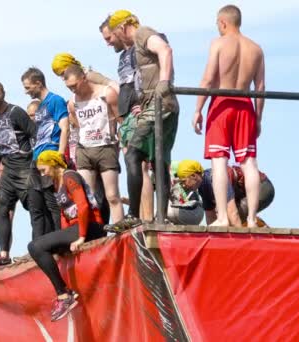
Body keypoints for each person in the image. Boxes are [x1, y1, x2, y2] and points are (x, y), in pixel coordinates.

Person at [192, 5, 265, 227]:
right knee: (249, 162)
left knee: (219, 162)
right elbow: (260, 88)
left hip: (221, 103)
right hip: (245, 105)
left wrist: (198, 109)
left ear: (223, 22)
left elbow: (207, 79)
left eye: (217, 23)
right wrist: (258, 118)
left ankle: (222, 217)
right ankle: (252, 218)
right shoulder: (256, 48)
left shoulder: (219, 43)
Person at [106, 10, 180, 231]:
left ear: (121, 27)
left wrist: (164, 83)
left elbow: (165, 50)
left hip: (160, 104)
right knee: (159, 160)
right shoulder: (137, 44)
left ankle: (133, 214)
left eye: (115, 35)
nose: (116, 41)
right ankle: (161, 216)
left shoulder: (142, 33)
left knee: (133, 154)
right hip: (156, 105)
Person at [27, 150, 105, 322]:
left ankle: (64, 295)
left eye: (44, 169)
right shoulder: (57, 184)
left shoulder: (70, 176)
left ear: (54, 165)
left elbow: (83, 207)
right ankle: (64, 293)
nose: (43, 174)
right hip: (76, 227)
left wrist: (81, 237)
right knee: (41, 247)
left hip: (92, 227)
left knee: (34, 246)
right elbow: (65, 215)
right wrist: (62, 239)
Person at [100, 16, 154, 222]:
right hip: (125, 115)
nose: (108, 42)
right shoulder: (123, 55)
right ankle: (138, 216)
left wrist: (146, 103)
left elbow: (148, 77)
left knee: (141, 166)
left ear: (119, 30)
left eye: (109, 37)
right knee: (133, 166)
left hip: (138, 112)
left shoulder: (139, 49)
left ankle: (146, 217)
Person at [50, 53, 112, 224]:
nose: (62, 78)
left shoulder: (89, 75)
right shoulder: (73, 88)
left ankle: (102, 225)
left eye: (62, 72)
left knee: (102, 189)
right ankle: (92, 224)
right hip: (84, 143)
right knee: (89, 189)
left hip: (103, 140)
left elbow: (113, 89)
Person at [63, 64, 124, 223]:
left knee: (112, 195)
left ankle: (120, 230)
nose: (73, 90)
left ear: (84, 78)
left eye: (75, 85)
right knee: (86, 196)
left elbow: (121, 120)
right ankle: (89, 232)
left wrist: (123, 144)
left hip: (106, 147)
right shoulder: (72, 102)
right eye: (69, 87)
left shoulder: (107, 93)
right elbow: (77, 124)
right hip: (85, 149)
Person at [0, 79, 36, 268]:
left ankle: (37, 248)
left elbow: (34, 133)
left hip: (24, 164)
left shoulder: (15, 112)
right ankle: (4, 253)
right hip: (7, 168)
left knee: (33, 205)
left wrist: (34, 159)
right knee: (2, 208)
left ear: (3, 93)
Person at [21, 67, 69, 240]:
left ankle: (59, 239)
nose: (26, 91)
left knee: (52, 202)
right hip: (36, 158)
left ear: (38, 83)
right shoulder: (40, 107)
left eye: (28, 87)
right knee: (35, 204)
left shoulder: (55, 100)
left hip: (50, 155)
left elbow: (65, 127)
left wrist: (60, 154)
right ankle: (39, 242)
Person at [198, 165, 274, 227]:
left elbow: (233, 214)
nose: (185, 186)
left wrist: (239, 243)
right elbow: (211, 218)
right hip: (244, 192)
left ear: (194, 176)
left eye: (185, 180)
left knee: (230, 218)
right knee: (222, 218)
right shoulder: (203, 187)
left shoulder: (215, 178)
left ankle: (260, 227)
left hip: (262, 187)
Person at [168, 160, 205, 225]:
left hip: (193, 213)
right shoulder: (192, 186)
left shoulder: (195, 190)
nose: (183, 184)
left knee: (164, 212)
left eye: (183, 181)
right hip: (190, 213)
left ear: (193, 176)